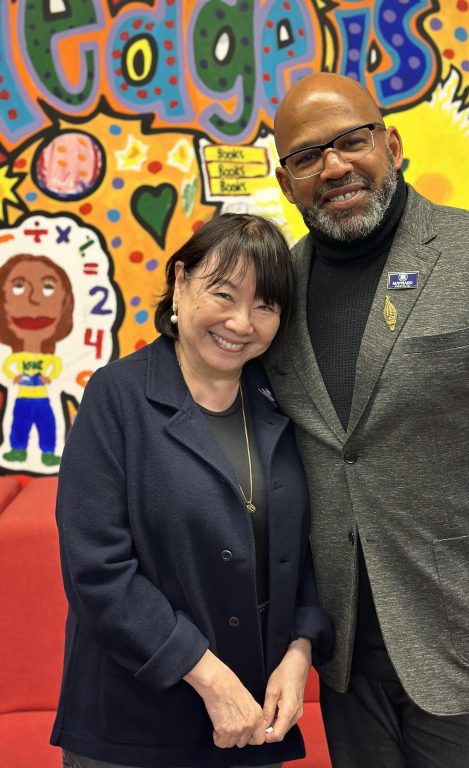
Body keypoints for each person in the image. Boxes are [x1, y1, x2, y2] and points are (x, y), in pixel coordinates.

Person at [264, 72, 469, 767]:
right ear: (286, 183)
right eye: (308, 156)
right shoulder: (275, 295)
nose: (335, 166)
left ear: (392, 144)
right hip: (346, 663)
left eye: (352, 141)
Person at [50, 213, 333, 768]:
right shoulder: (118, 396)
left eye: (265, 306)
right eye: (223, 294)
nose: (240, 322)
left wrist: (299, 653)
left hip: (253, 720)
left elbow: (304, 551)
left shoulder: (280, 405)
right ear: (180, 282)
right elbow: (97, 571)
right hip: (134, 721)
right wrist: (209, 679)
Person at [0, 253, 74, 466]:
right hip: (23, 396)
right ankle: (18, 450)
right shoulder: (19, 357)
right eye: (18, 286)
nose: (34, 299)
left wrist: (47, 376)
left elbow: (56, 365)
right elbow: (7, 366)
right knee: (19, 425)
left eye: (49, 286)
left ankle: (48, 452)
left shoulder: (48, 358)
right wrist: (15, 376)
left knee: (46, 424)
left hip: (41, 397)